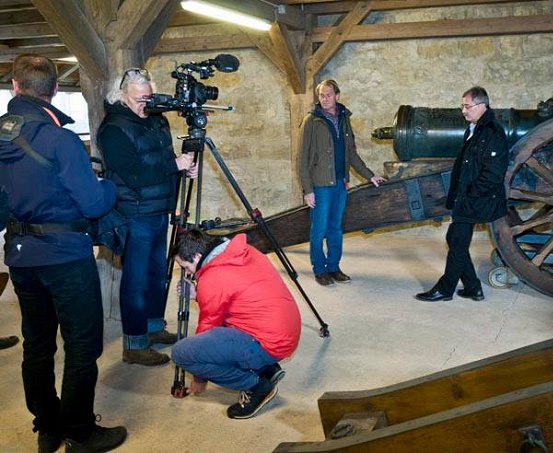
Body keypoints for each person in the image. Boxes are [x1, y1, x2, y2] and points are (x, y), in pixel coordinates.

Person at [0, 54, 126, 452]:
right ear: (54, 90)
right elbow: (92, 203)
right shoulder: (60, 139)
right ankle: (80, 431)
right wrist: (110, 188)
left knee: (37, 343)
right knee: (82, 343)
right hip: (65, 257)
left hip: (21, 257)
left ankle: (48, 426)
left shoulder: (3, 135)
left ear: (16, 87)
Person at [97, 67, 198, 366]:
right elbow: (134, 175)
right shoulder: (113, 129)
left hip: (158, 209)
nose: (146, 103)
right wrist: (174, 166)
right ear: (122, 96)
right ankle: (134, 344)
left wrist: (183, 168)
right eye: (139, 98)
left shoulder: (157, 119)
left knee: (157, 275)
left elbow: (165, 160)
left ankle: (154, 328)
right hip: (134, 212)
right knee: (136, 281)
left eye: (149, 97)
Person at [170, 229, 301, 419]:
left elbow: (207, 327)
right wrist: (199, 294)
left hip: (269, 343)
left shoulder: (212, 278)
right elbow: (234, 293)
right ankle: (266, 369)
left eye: (187, 267)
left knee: (182, 353)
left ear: (198, 255)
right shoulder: (243, 251)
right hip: (284, 332)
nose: (188, 273)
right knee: (226, 323)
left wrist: (200, 378)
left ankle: (257, 386)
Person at [416, 86, 508, 303]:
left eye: (467, 106)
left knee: (456, 241)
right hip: (466, 197)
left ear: (481, 105)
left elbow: (494, 173)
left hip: (477, 199)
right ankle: (473, 288)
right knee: (455, 240)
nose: (463, 111)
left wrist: (470, 192)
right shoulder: (474, 129)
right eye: (462, 106)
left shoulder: (492, 132)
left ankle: (445, 289)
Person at [298, 79, 386, 286]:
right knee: (318, 230)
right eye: (321, 95)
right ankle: (320, 270)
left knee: (335, 228)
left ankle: (334, 267)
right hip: (320, 185)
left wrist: (369, 175)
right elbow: (301, 159)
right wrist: (307, 190)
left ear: (337, 95)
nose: (325, 98)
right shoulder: (311, 121)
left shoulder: (345, 118)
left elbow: (351, 153)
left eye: (328, 94)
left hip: (339, 183)